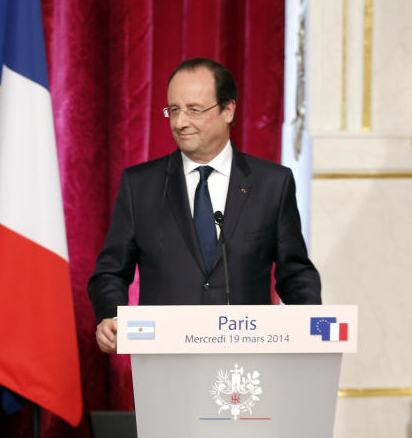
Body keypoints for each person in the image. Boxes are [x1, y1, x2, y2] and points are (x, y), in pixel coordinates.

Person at [88, 58, 321, 354]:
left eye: (194, 110)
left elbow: (296, 273)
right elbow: (110, 272)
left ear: (228, 110)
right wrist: (111, 316)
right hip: (165, 362)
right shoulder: (140, 185)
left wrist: (312, 327)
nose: (179, 122)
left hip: (247, 367)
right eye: (174, 110)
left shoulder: (272, 184)